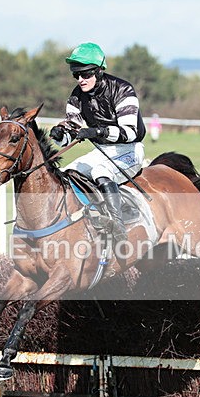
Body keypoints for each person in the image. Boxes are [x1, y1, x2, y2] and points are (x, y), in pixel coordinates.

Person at [50, 42, 146, 245]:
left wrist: (97, 131)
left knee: (101, 171)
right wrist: (60, 134)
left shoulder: (123, 89)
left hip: (130, 149)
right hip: (102, 150)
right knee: (67, 173)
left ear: (99, 71)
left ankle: (118, 225)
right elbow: (72, 132)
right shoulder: (76, 96)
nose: (80, 80)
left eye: (85, 74)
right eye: (76, 75)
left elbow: (131, 132)